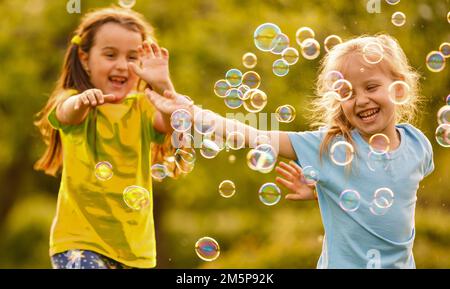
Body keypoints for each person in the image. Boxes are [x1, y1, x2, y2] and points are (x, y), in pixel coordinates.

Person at [146, 34, 434, 269]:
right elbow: (255, 136)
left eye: (371, 86)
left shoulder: (418, 145)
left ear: (398, 88)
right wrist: (192, 112)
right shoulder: (332, 146)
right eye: (347, 93)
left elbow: (389, 190)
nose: (361, 100)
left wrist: (326, 192)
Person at [34, 7, 181, 269]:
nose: (122, 65)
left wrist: (163, 86)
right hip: (80, 242)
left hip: (136, 250)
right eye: (110, 55)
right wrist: (82, 100)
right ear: (85, 58)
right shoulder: (73, 102)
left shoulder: (144, 106)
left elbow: (171, 122)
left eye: (133, 57)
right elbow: (66, 114)